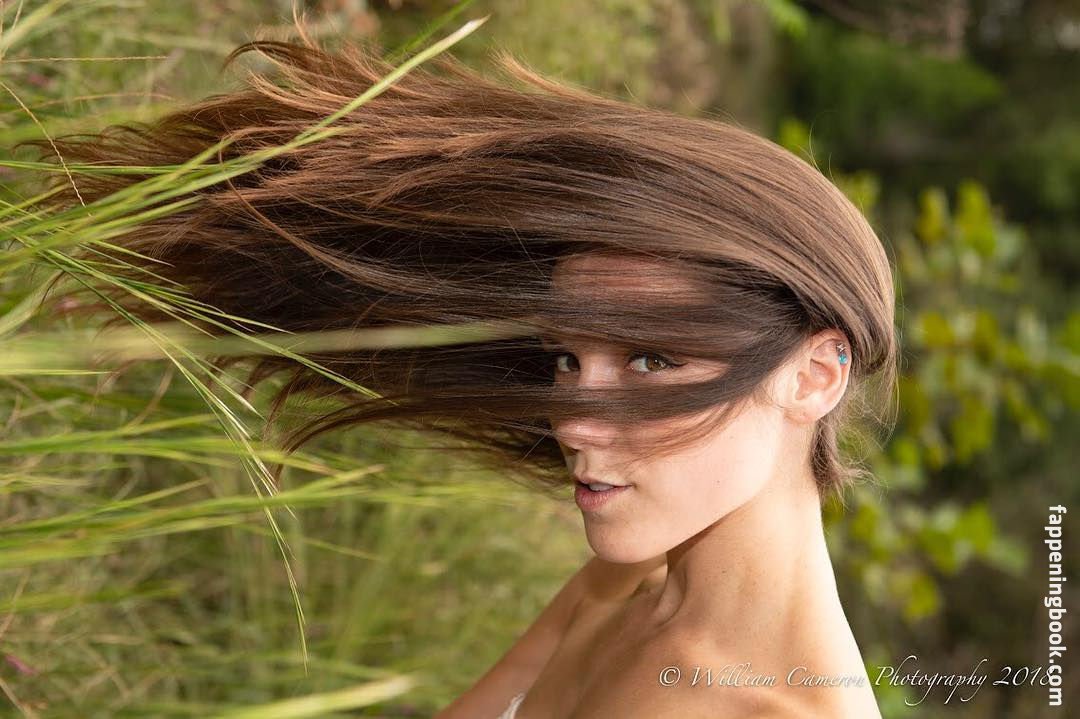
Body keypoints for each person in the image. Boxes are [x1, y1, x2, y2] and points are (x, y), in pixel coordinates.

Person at [26, 25, 897, 719]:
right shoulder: (622, 588)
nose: (572, 418)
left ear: (815, 375)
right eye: (566, 357)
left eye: (649, 359)